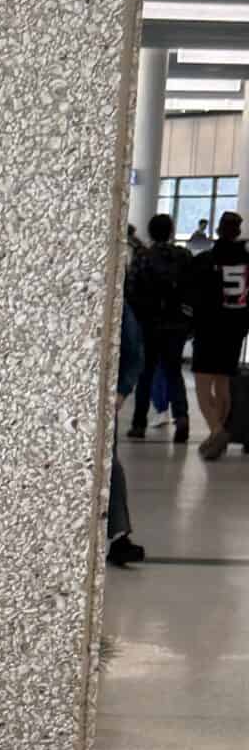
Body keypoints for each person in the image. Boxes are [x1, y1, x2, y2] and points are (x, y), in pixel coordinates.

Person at [127, 214, 191, 443]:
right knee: (174, 372)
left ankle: (138, 423)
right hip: (176, 324)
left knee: (145, 374)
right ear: (172, 232)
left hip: (149, 323)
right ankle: (182, 417)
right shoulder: (183, 256)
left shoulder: (143, 256)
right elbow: (190, 289)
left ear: (151, 232)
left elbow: (132, 289)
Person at [191, 210, 249, 461]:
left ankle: (217, 431)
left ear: (217, 230)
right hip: (235, 329)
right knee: (223, 383)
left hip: (208, 328)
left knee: (203, 384)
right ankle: (218, 436)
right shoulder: (247, 261)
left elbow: (194, 295)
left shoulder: (206, 259)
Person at [108, 293, 146, 565]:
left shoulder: (116, 303)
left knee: (108, 465)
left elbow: (133, 353)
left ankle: (119, 536)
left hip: (99, 400)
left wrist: (120, 391)